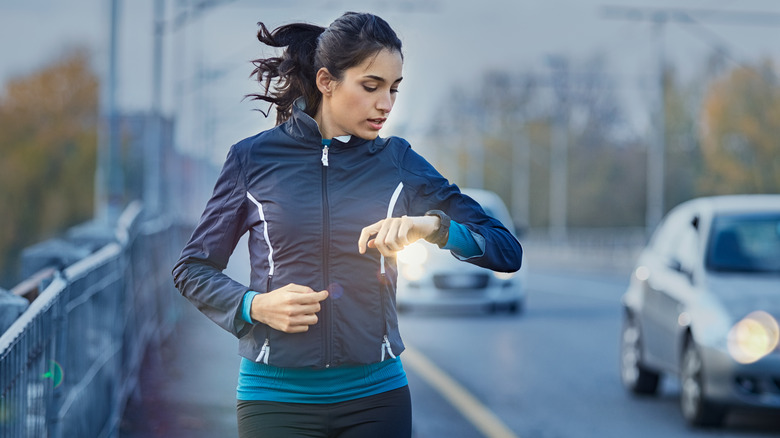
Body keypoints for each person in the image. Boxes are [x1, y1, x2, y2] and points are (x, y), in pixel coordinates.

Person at [172, 11, 523, 438]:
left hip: (377, 399)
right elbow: (191, 269)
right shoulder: (252, 160)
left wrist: (433, 226)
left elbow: (506, 249)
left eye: (394, 90)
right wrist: (253, 306)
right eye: (371, 86)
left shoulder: (398, 161)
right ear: (326, 81)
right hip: (275, 399)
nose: (386, 104)